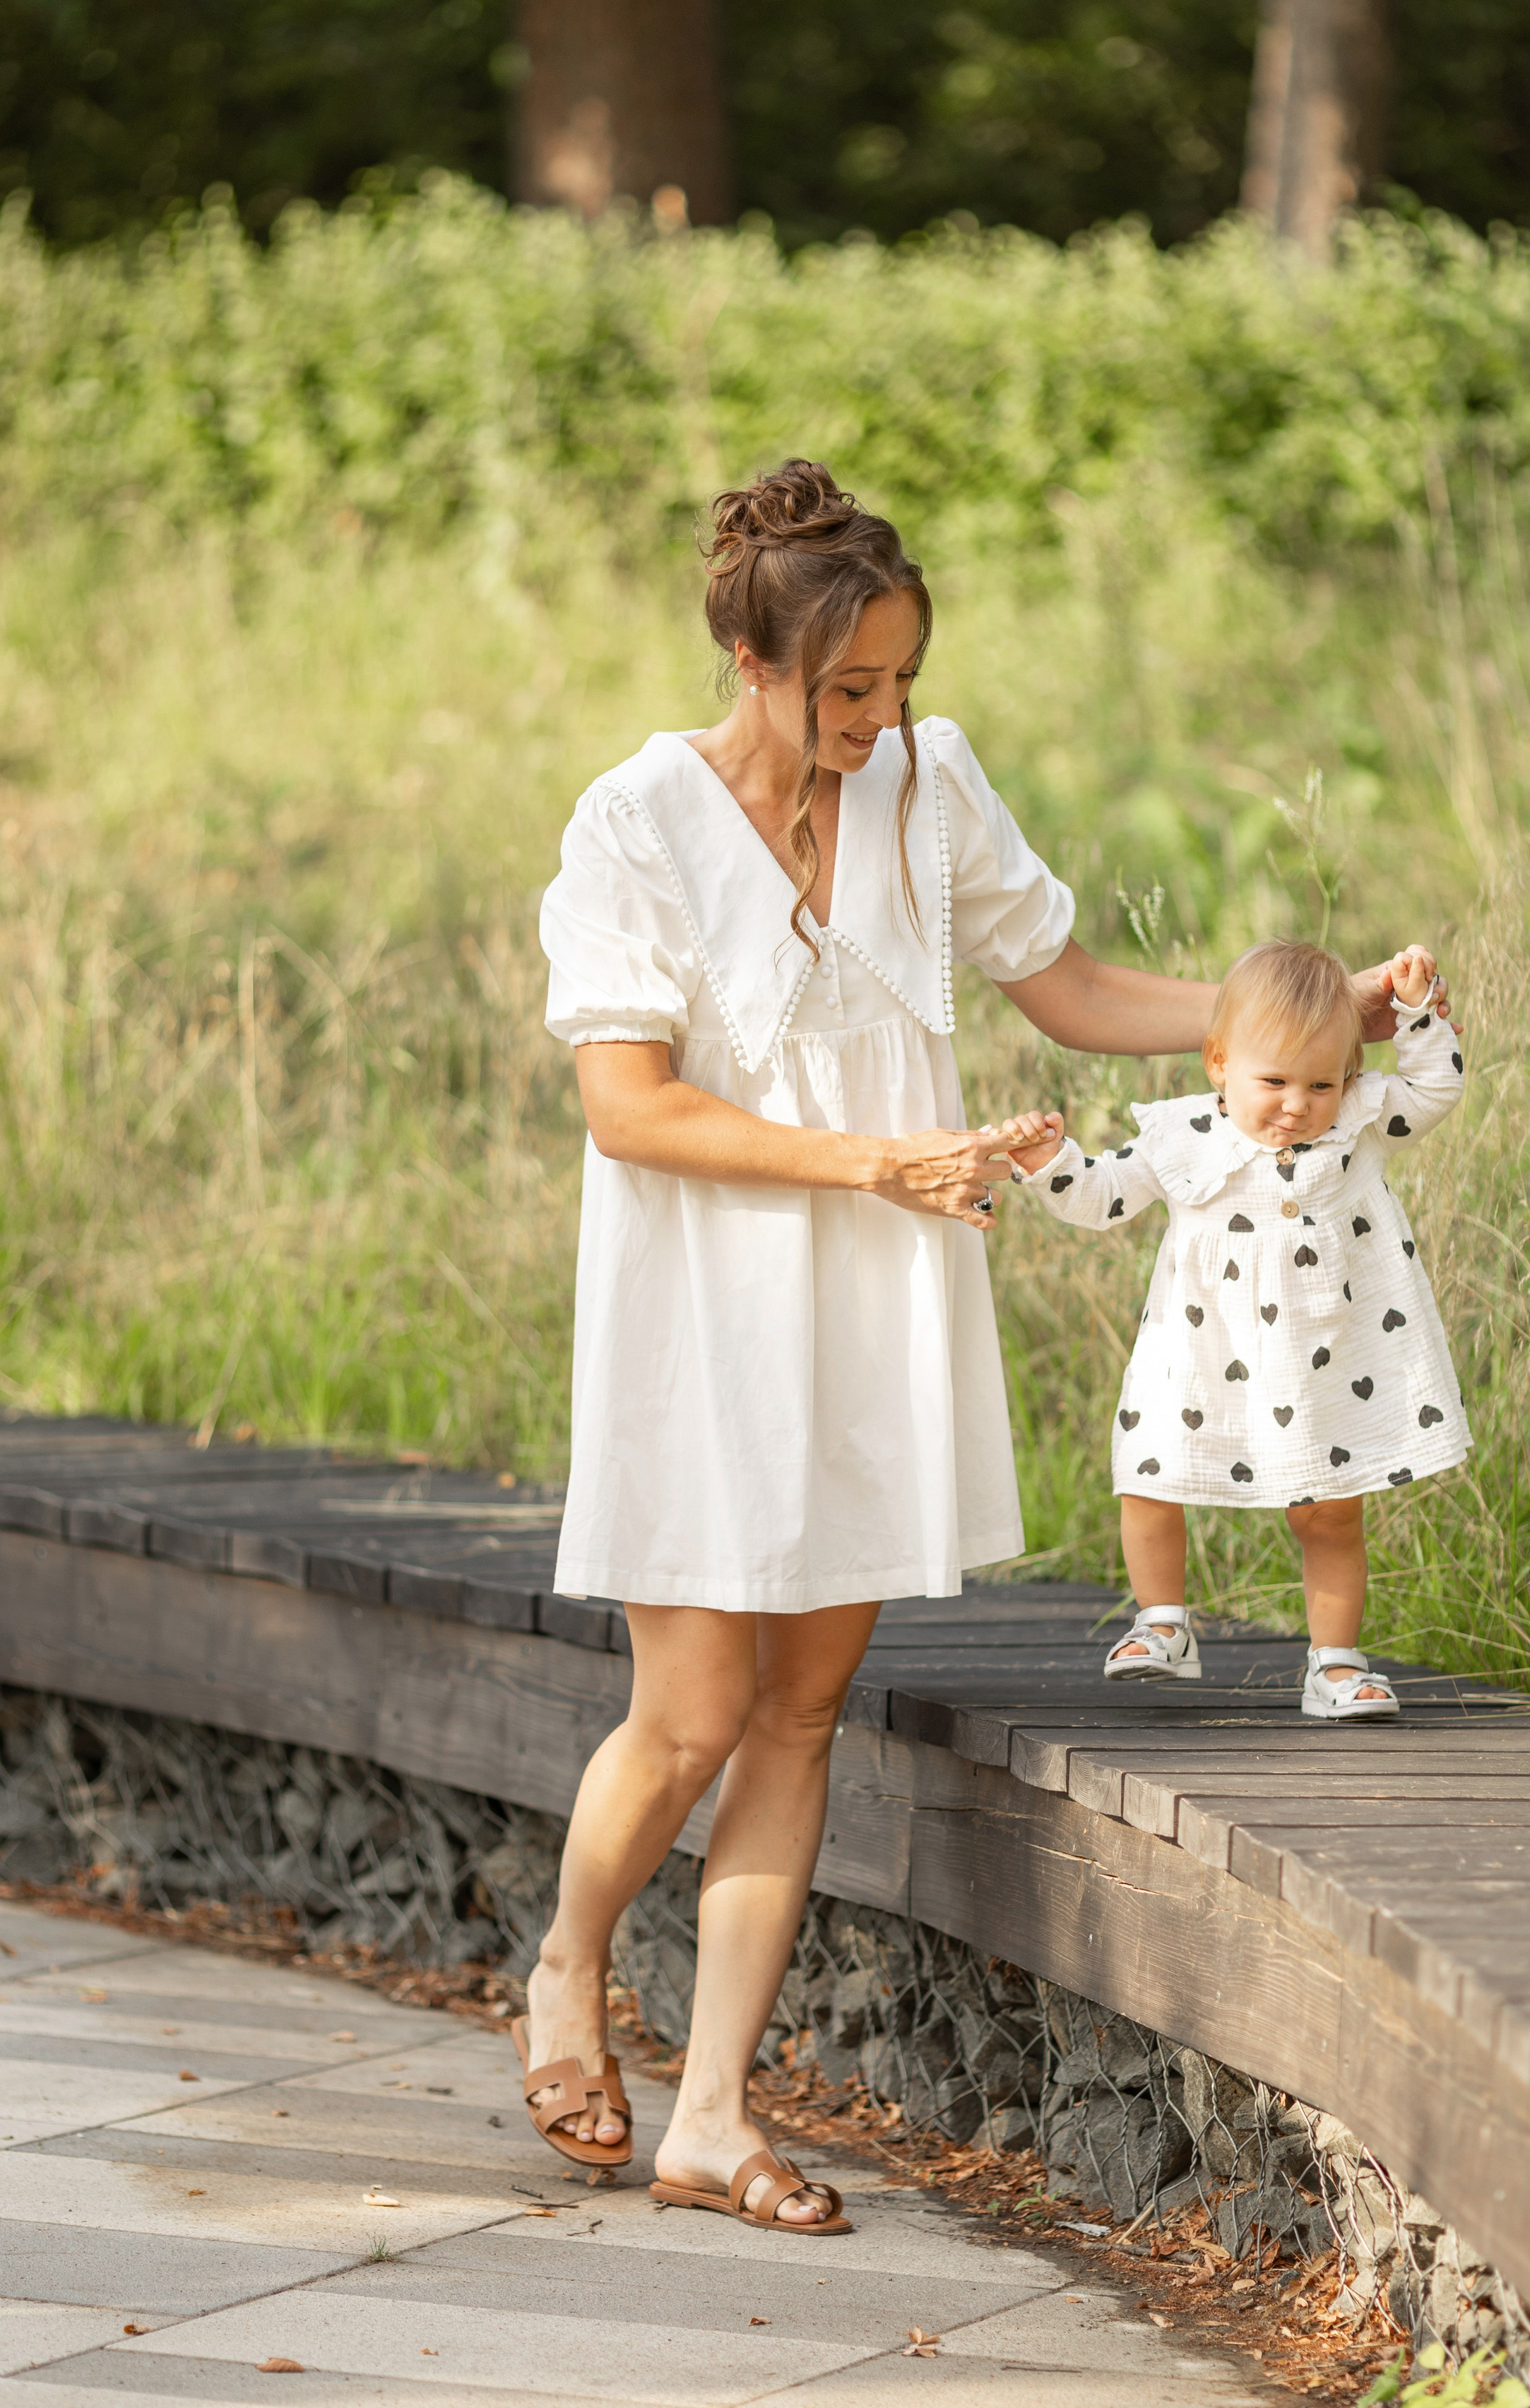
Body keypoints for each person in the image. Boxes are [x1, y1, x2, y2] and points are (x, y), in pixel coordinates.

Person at [524, 459, 1437, 2231]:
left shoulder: (928, 784)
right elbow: (628, 1111)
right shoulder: (631, 820)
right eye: (842, 687)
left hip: (878, 1288)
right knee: (695, 1704)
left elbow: (1074, 990)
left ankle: (710, 2110)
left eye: (897, 682)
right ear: (744, 648)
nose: (876, 721)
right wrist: (872, 1158)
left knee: (798, 1710)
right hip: (702, 1303)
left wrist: (1305, 1022)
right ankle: (567, 1964)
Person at [1002, 937, 1469, 1719]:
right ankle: (1161, 1623)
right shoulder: (1182, 1134)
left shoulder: (1355, 1119)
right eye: (1274, 1080)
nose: (1297, 1103)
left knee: (1328, 1507)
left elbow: (1431, 1092)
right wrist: (1051, 1160)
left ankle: (1335, 1664)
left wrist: (1418, 1015)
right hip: (1200, 1349)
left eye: (1322, 1081)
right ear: (1218, 1062)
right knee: (1151, 1472)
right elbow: (1102, 1195)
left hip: (1328, 1352)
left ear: (1349, 1076)